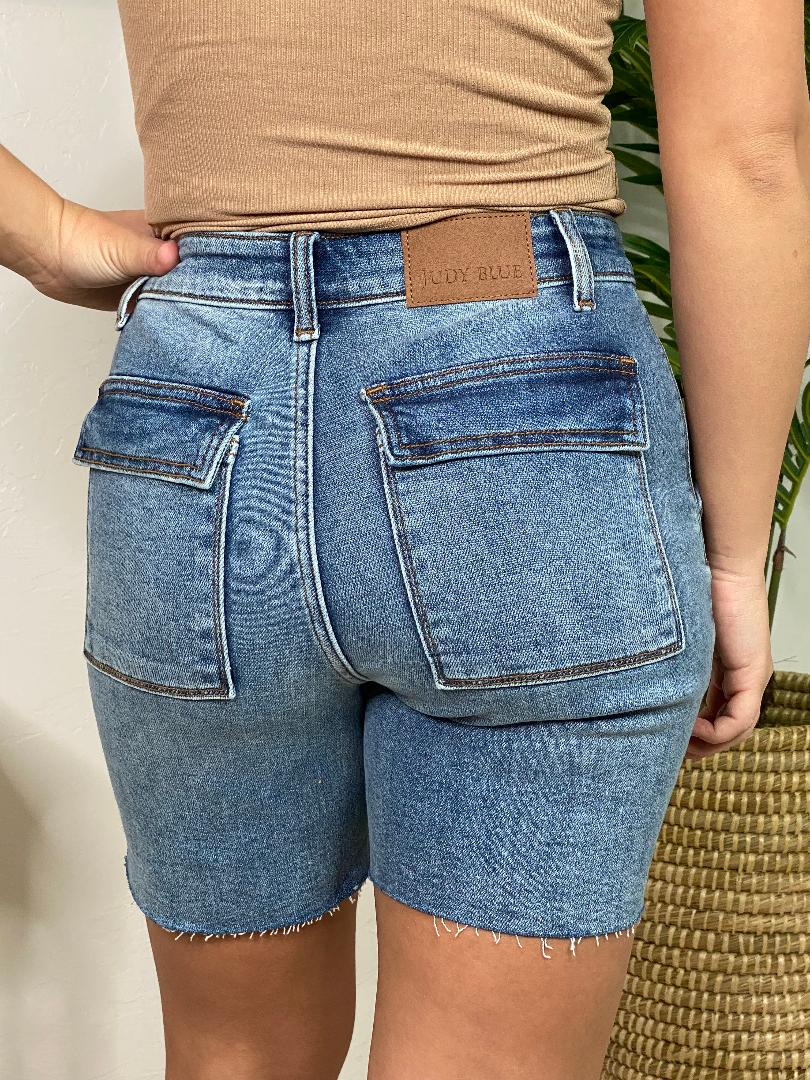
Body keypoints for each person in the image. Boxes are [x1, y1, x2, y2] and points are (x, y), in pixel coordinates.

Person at [1, 1, 808, 1077]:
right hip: (522, 405)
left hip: (198, 415)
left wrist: (43, 230)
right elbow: (750, 154)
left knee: (232, 1054)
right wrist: (733, 561)